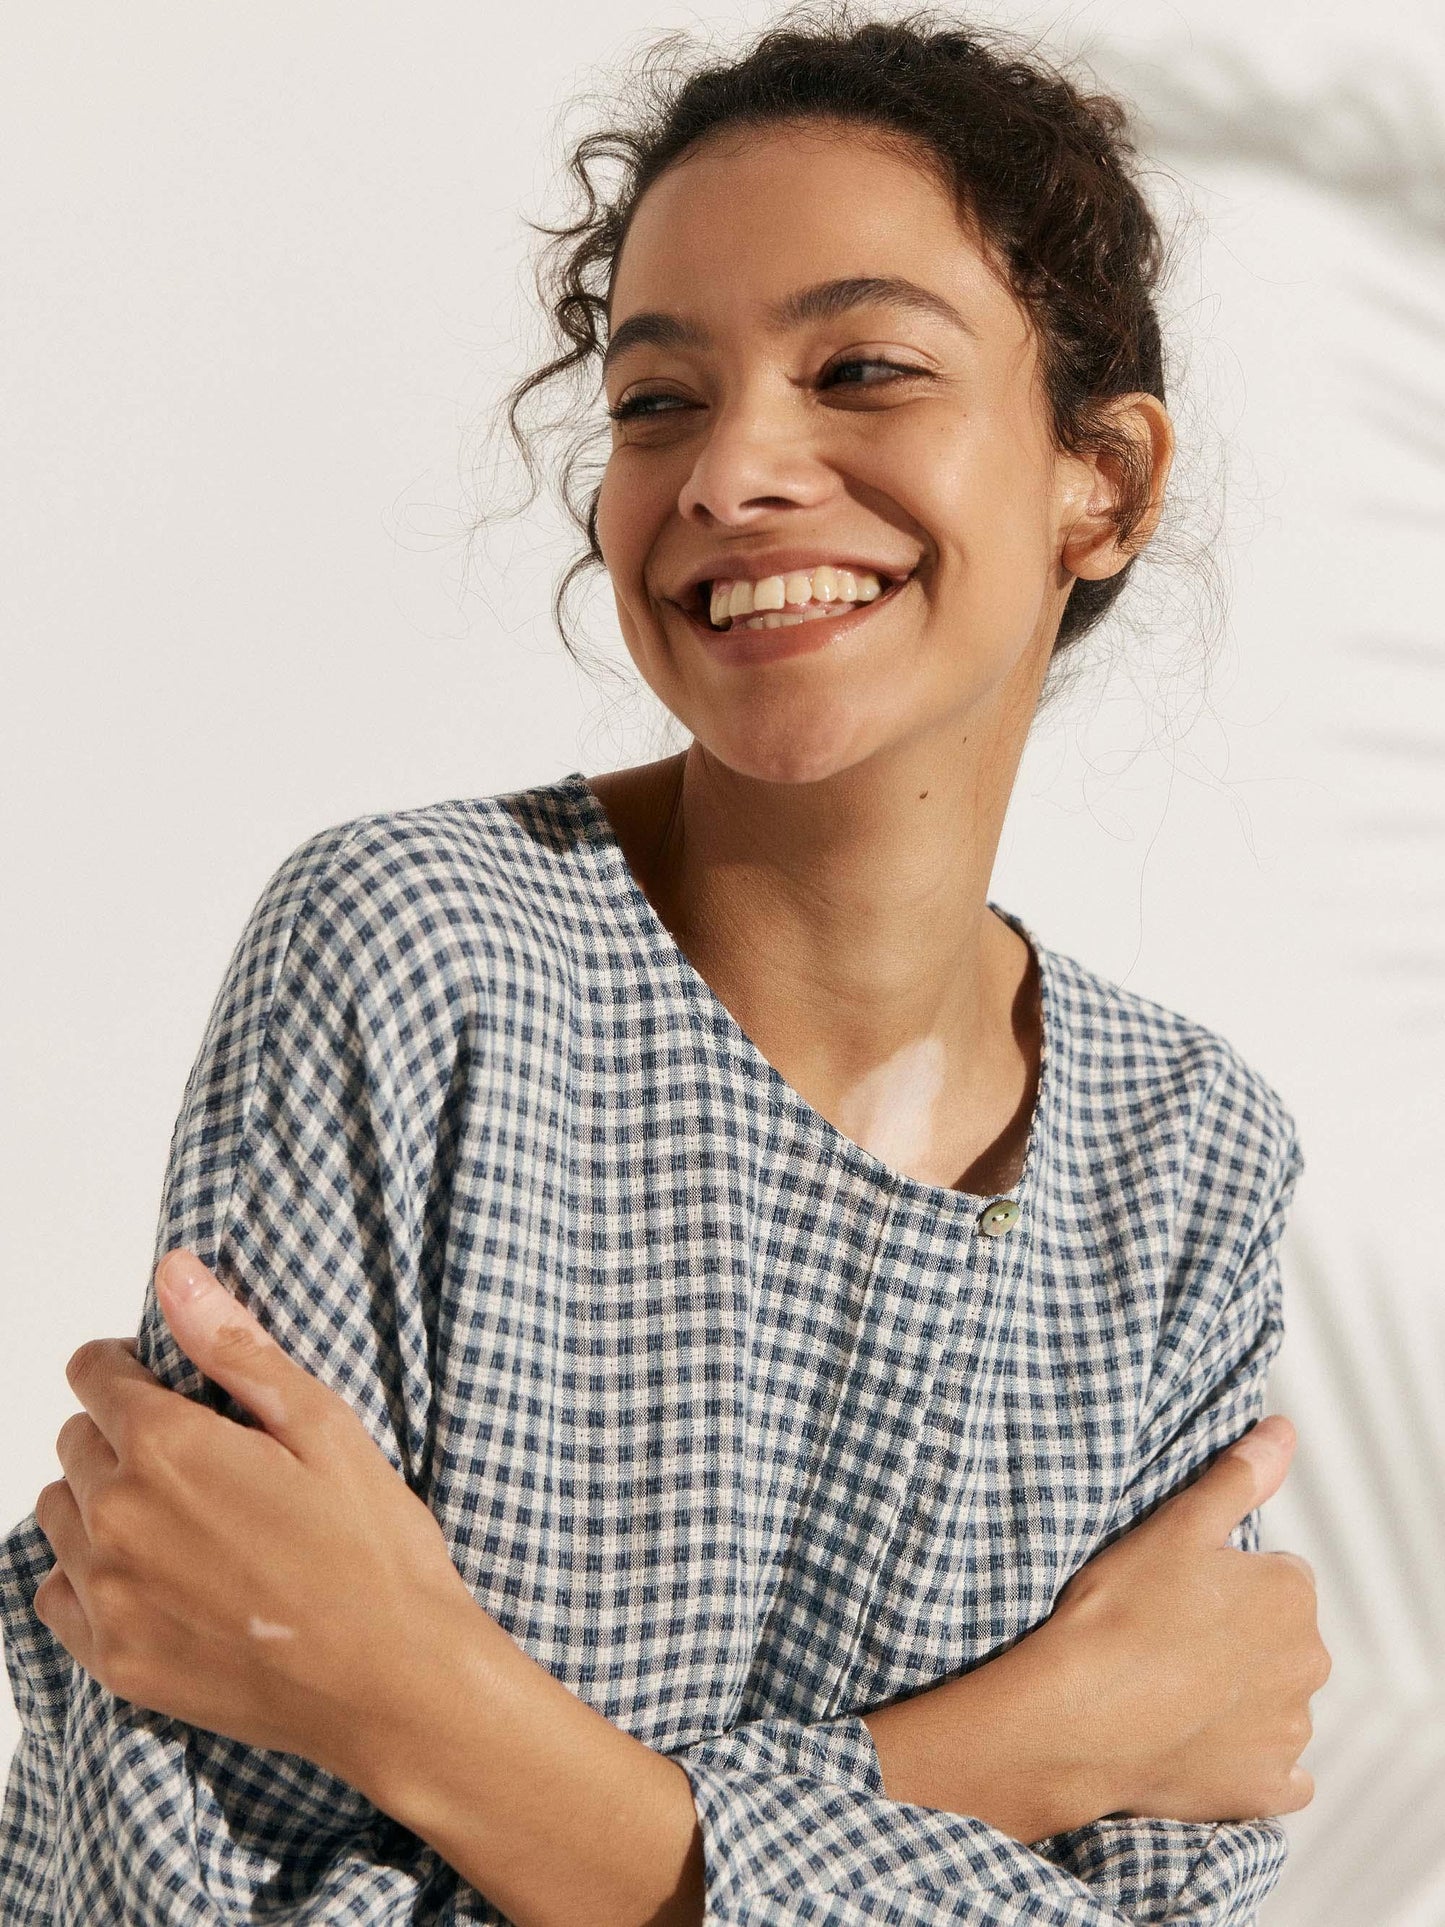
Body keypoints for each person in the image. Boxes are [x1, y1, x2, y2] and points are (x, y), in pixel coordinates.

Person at [0, 8, 1331, 1922]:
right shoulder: (415, 967)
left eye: (860, 368)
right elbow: (179, 1893)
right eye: (655, 403)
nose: (731, 473)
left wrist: (420, 1709)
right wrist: (1005, 1758)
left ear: (1098, 479)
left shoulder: (1181, 1158)